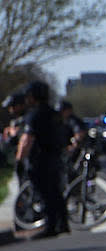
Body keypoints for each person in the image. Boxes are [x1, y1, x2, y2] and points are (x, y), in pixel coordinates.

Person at [14, 81, 69, 237]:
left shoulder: (34, 115)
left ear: (33, 97)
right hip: (55, 157)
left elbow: (27, 139)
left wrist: (19, 159)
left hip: (40, 159)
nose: (27, 99)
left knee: (44, 193)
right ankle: (62, 223)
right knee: (56, 192)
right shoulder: (54, 113)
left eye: (29, 96)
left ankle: (50, 226)